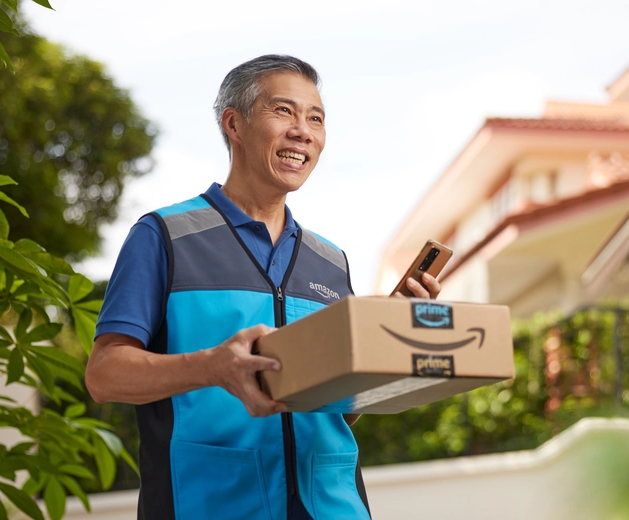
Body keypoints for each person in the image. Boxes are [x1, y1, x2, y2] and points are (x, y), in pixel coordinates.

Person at [85, 55, 441, 520]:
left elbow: (338, 412)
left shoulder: (330, 261)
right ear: (233, 123)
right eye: (284, 111)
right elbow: (104, 375)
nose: (304, 131)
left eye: (316, 118)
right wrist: (212, 366)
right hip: (209, 505)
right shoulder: (165, 236)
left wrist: (382, 351)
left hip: (332, 508)